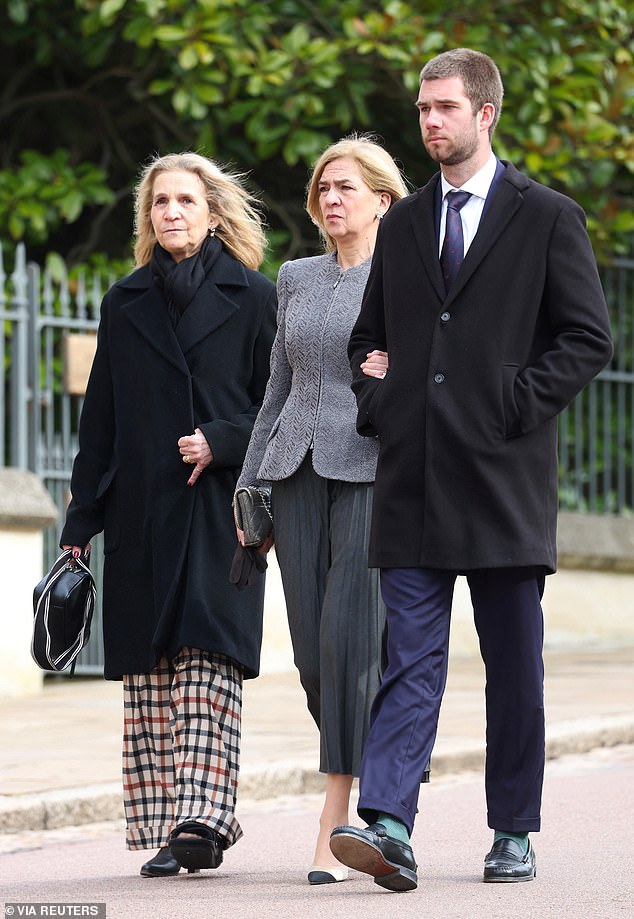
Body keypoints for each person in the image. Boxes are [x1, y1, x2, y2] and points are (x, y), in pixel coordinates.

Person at [329, 49, 613, 890]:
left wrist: (508, 408)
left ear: (484, 114)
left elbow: (587, 339)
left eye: (444, 108)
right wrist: (378, 400)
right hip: (411, 483)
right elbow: (365, 341)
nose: (429, 122)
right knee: (410, 661)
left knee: (513, 670)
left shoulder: (548, 216)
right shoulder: (407, 221)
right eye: (422, 109)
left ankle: (514, 829)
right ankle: (388, 822)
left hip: (502, 483)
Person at [61, 151, 276, 877]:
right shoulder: (124, 301)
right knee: (152, 675)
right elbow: (102, 420)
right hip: (141, 515)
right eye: (160, 203)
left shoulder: (255, 297)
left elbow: (279, 409)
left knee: (209, 662)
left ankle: (203, 819)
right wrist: (77, 526)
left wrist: (221, 440)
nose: (172, 212)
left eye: (185, 200)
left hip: (219, 512)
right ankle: (166, 825)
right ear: (148, 217)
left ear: (213, 212)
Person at [235, 135, 409, 884]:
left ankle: (336, 816)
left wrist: (397, 368)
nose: (330, 199)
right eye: (322, 189)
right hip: (295, 472)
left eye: (345, 187)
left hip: (372, 471)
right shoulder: (296, 277)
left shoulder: (411, 279)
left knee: (348, 641)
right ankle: (371, 785)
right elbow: (276, 387)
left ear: (383, 198)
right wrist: (251, 484)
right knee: (310, 652)